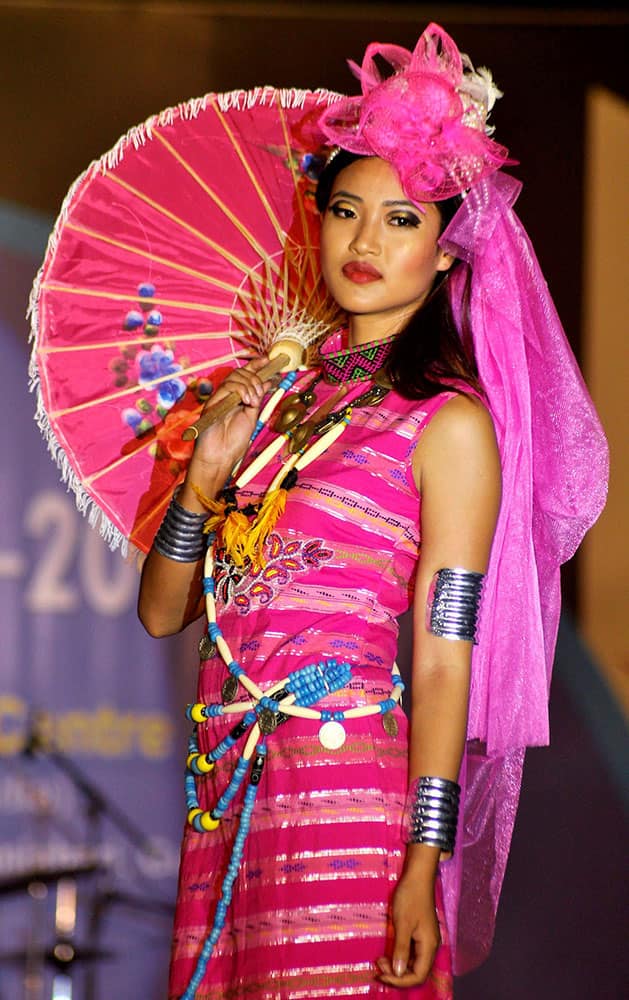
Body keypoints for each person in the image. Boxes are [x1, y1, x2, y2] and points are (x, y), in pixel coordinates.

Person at [138, 23, 607, 1000]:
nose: (363, 240)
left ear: (446, 252)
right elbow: (160, 610)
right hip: (227, 783)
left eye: (401, 220)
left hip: (344, 780)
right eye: (346, 209)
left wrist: (424, 856)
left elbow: (442, 654)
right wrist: (199, 479)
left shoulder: (446, 425)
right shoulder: (268, 403)